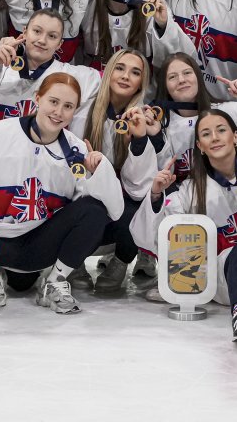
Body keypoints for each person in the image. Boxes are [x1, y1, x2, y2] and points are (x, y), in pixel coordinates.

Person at [0, 73, 123, 314]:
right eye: (53, 101)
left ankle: (55, 282)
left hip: (34, 247)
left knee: (94, 210)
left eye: (68, 106)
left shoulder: (77, 151)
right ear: (37, 99)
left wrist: (99, 171)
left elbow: (115, 210)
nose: (59, 111)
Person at [129, 112, 237, 335]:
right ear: (200, 146)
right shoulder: (190, 190)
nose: (215, 137)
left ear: (235, 137)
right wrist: (157, 194)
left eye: (221, 130)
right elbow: (149, 236)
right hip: (224, 281)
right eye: (206, 134)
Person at [76, 50, 167, 294]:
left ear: (141, 83)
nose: (126, 76)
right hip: (85, 200)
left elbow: (139, 187)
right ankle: (74, 262)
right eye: (120, 68)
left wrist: (138, 141)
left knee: (139, 205)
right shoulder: (82, 112)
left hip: (120, 209)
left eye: (135, 72)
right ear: (108, 73)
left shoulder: (141, 119)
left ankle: (121, 260)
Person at [0, 8, 100, 130]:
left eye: (52, 36)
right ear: (24, 32)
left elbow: (112, 78)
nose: (42, 40)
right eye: (37, 31)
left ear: (59, 44)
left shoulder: (71, 76)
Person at [151, 53, 237, 185]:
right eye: (172, 77)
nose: (181, 80)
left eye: (187, 73)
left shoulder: (232, 112)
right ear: (165, 85)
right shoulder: (159, 127)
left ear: (198, 77)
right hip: (189, 203)